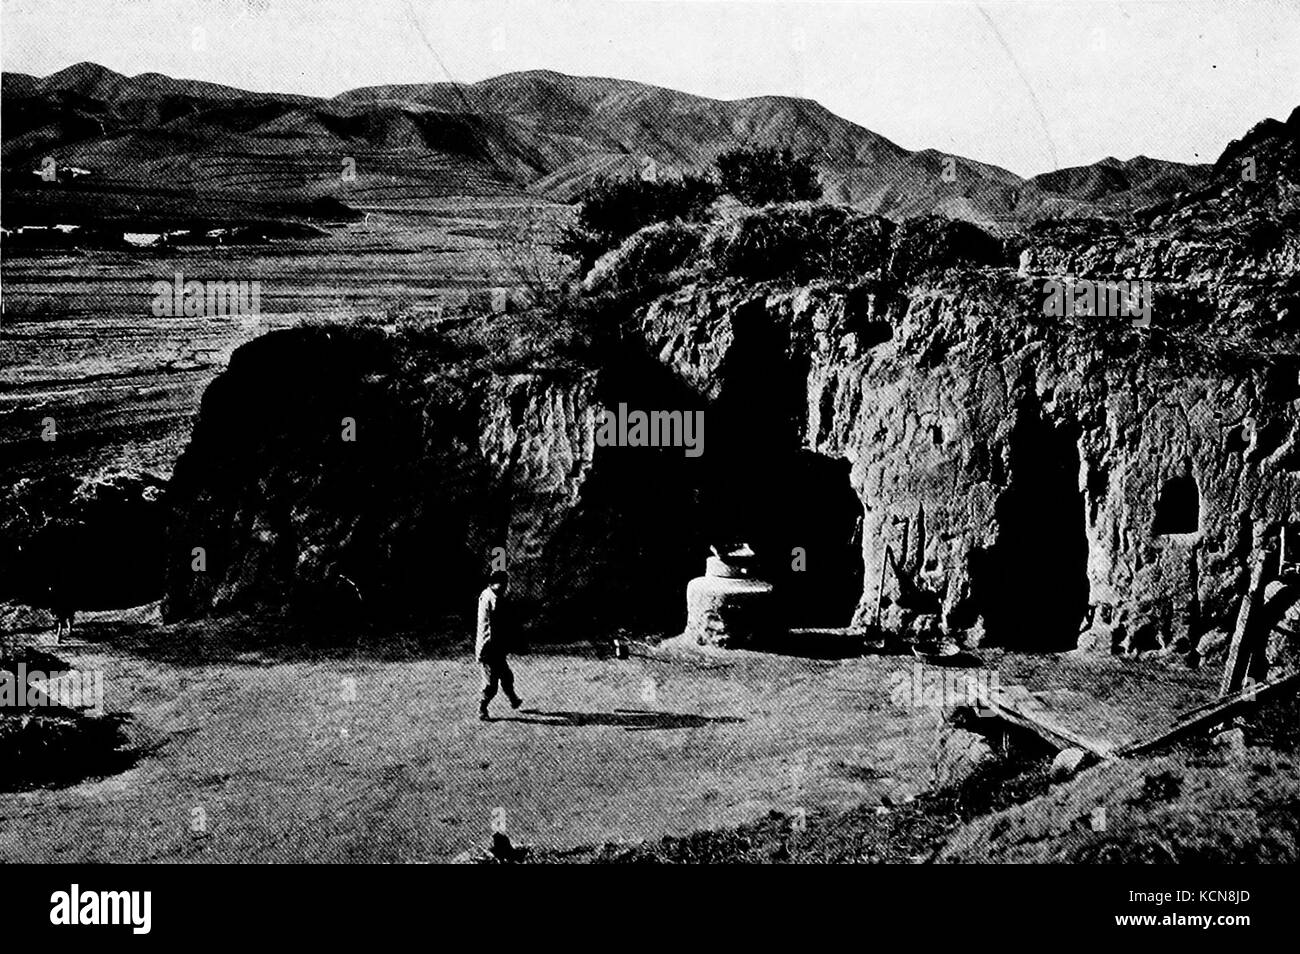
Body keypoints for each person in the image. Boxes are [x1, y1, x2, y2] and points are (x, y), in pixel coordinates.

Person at [476, 571, 522, 720]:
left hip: (496, 648)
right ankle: (482, 708)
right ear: (493, 583)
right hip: (489, 650)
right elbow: (494, 627)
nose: (505, 588)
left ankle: (513, 699)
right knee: (491, 685)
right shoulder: (493, 599)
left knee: (506, 676)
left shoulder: (489, 594)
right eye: (502, 585)